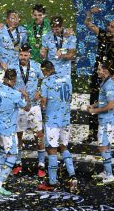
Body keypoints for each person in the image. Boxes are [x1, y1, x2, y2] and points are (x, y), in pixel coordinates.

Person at [39, 60, 77, 192]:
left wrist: (42, 106)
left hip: (52, 121)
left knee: (52, 149)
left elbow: (43, 102)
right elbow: (70, 98)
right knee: (64, 147)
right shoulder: (67, 79)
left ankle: (52, 182)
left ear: (45, 70)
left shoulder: (46, 82)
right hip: (66, 119)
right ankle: (73, 177)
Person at [84, 7, 114, 143]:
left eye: (112, 27)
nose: (109, 28)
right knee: (94, 100)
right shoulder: (103, 34)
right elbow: (88, 24)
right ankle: (92, 132)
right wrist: (89, 13)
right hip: (98, 74)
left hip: (112, 77)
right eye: (109, 25)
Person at [9, 44, 45, 177]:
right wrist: (15, 91)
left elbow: (45, 79)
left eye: (25, 55)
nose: (23, 57)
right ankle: (18, 162)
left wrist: (40, 92)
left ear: (30, 55)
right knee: (18, 134)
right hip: (19, 106)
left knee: (39, 134)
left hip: (34, 105)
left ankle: (41, 164)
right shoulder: (12, 65)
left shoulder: (36, 65)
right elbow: (7, 83)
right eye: (21, 55)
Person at [0, 69, 29, 196]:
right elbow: (27, 107)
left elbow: (4, 93)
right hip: (7, 130)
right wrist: (25, 95)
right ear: (13, 80)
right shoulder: (16, 95)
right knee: (12, 154)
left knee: (3, 149)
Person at [87, 62, 114, 185]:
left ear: (105, 71)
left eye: (99, 69)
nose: (97, 71)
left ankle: (109, 175)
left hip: (108, 121)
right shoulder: (104, 82)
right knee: (105, 146)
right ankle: (107, 171)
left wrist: (94, 111)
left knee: (102, 146)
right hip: (106, 120)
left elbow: (110, 105)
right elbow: (103, 101)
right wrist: (93, 105)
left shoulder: (109, 85)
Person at [0, 9, 27, 82]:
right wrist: (1, 64)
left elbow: (25, 50)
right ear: (7, 19)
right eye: (12, 18)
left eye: (17, 18)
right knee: (0, 87)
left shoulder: (23, 31)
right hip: (2, 65)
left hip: (16, 66)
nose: (15, 21)